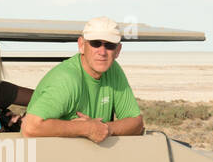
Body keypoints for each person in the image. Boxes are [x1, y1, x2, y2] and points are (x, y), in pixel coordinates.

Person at [21, 16, 143, 144]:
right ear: (81, 45)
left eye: (109, 45)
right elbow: (30, 127)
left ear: (117, 51)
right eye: (95, 43)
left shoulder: (113, 70)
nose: (102, 52)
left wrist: (103, 128)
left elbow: (136, 123)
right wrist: (86, 128)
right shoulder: (67, 79)